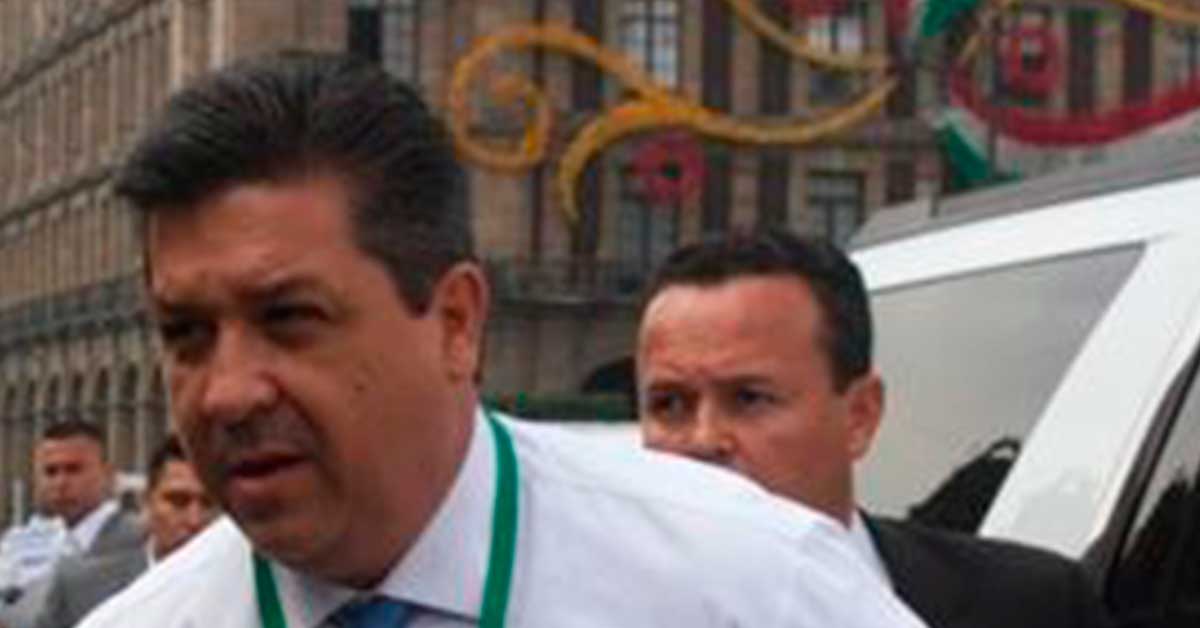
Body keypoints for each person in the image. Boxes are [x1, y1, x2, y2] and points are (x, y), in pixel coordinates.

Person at [78, 51, 925, 628]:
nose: (227, 392)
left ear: (456, 322)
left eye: (290, 319)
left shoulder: (752, 583)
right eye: (186, 334)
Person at [636, 228, 1114, 628]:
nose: (704, 439)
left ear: (860, 415)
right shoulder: (600, 610)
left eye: (749, 399)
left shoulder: (1033, 606)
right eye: (669, 404)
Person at [33, 435, 217, 628]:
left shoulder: (235, 586)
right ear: (146, 502)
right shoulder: (82, 590)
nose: (194, 520)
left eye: (210, 504)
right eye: (178, 501)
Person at [0, 422, 142, 627]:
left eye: (74, 470)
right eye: (51, 472)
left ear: (107, 474)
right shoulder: (30, 543)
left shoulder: (138, 541)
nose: (61, 483)